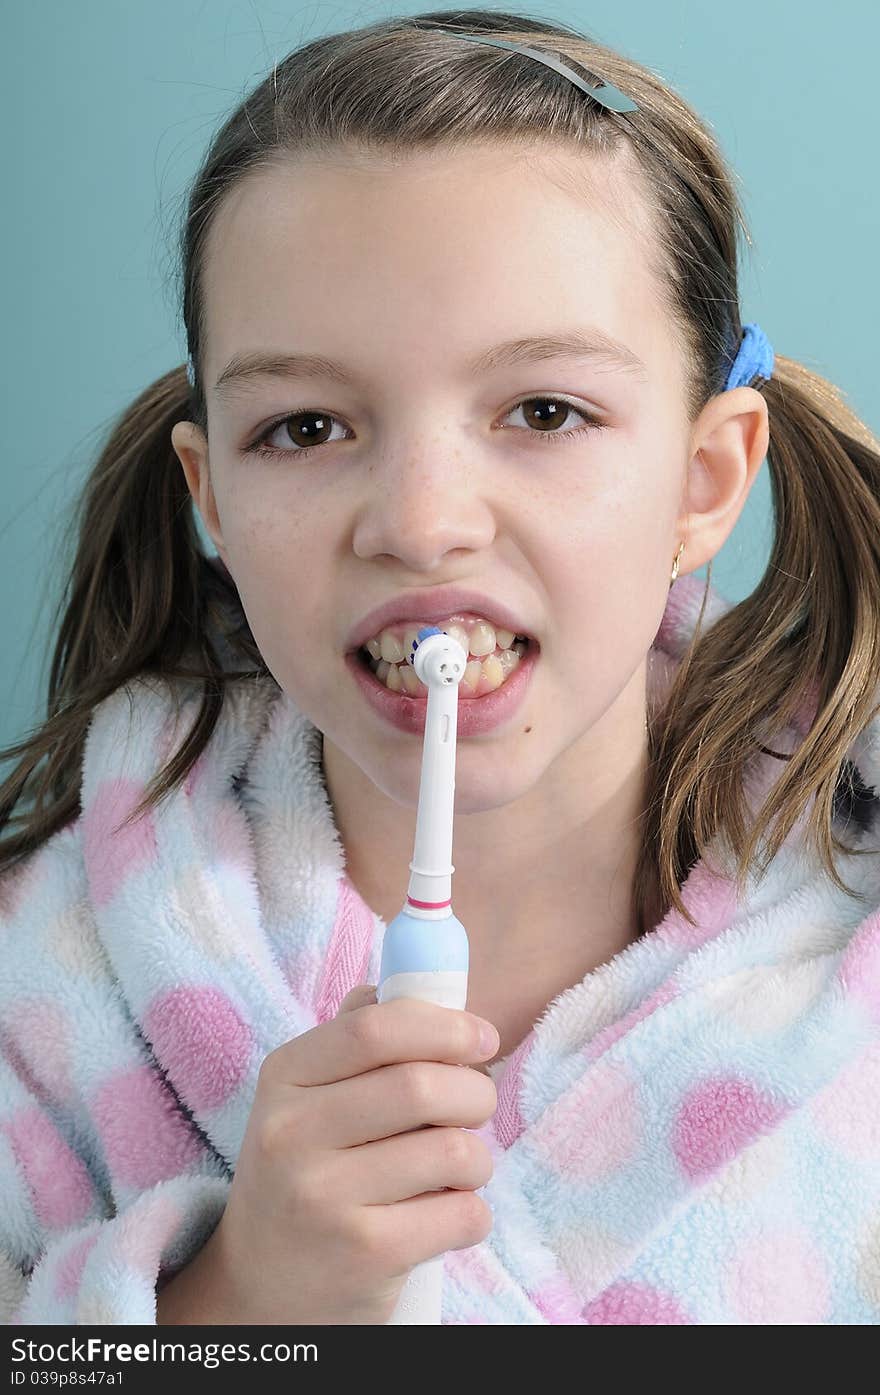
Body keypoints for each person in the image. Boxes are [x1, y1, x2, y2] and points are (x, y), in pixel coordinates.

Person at [1, 8, 879, 1326]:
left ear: (707, 482)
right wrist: (235, 1303)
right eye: (304, 426)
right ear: (214, 498)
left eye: (544, 412)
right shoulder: (40, 983)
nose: (419, 520)